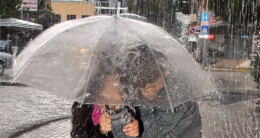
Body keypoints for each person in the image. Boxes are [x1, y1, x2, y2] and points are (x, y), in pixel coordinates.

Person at [120, 45, 202, 138]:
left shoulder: (177, 96)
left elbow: (153, 133)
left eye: (153, 86)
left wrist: (137, 130)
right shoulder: (133, 85)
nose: (147, 92)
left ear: (166, 72)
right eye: (142, 88)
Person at [70, 52, 141, 138]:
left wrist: (137, 129)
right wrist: (101, 130)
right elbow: (78, 134)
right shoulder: (85, 106)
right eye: (107, 89)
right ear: (98, 90)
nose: (112, 98)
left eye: (117, 90)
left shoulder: (130, 106)